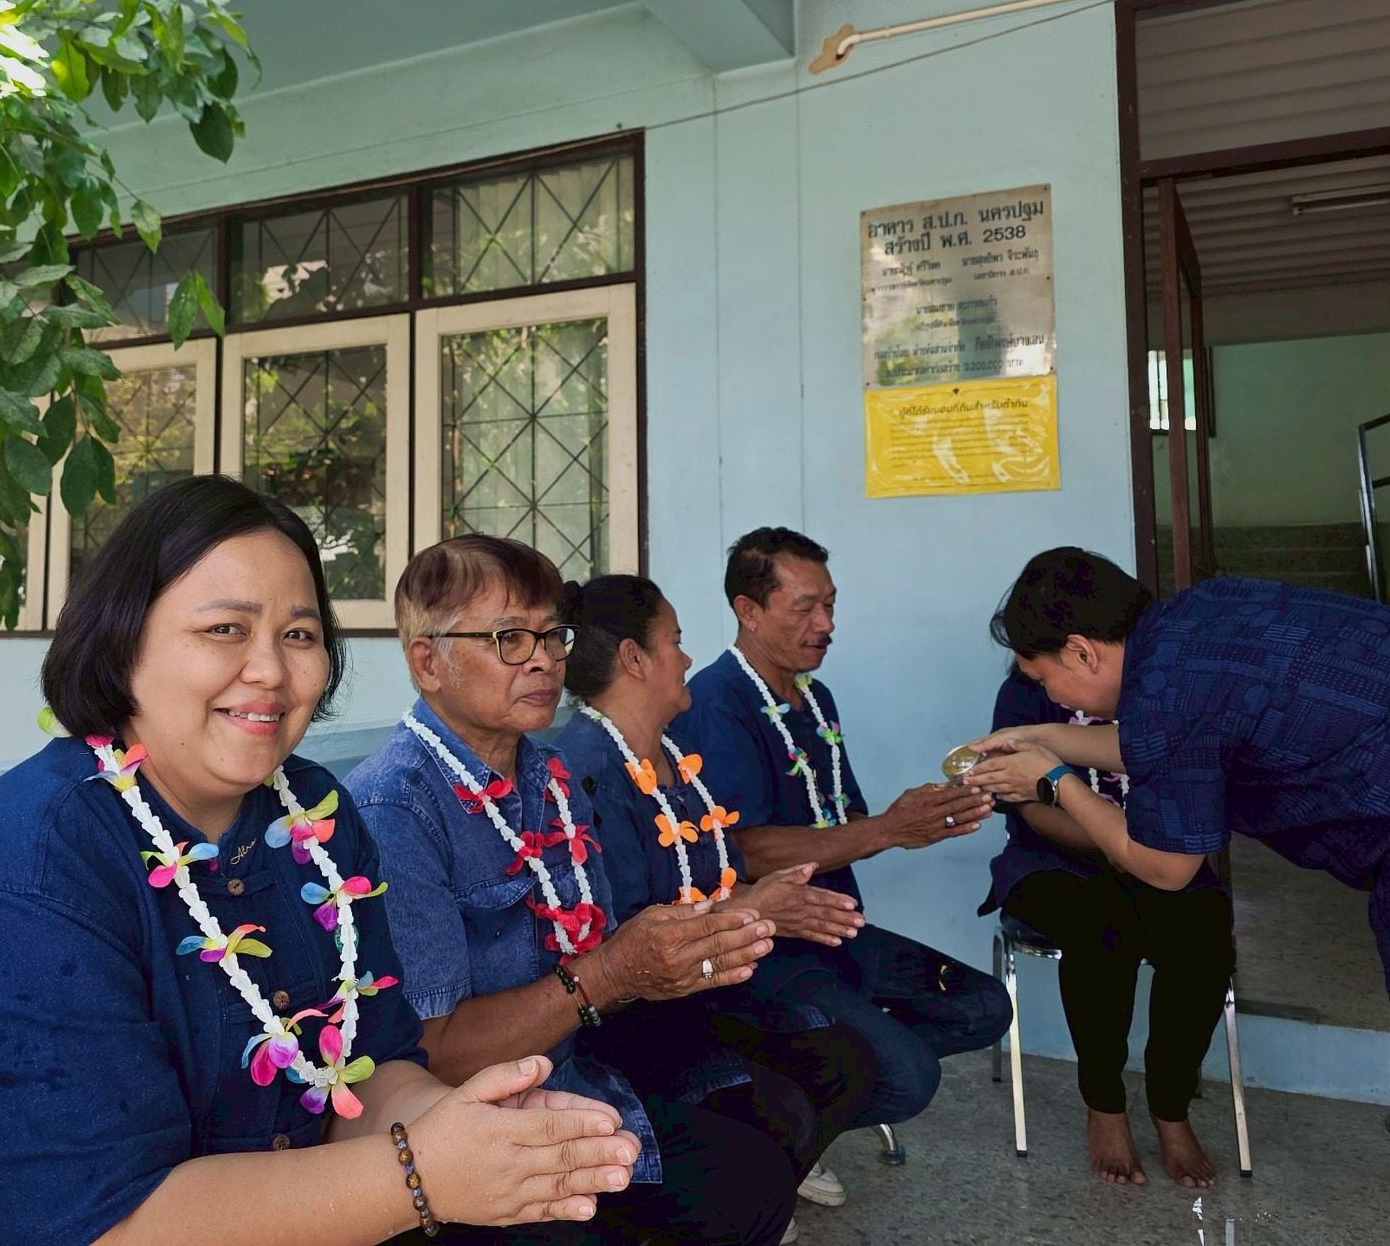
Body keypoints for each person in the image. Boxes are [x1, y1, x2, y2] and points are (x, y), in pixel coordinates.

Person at [0, 477, 639, 1246]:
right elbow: (108, 1228)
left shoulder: (315, 814)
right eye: (225, 629)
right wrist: (421, 1175)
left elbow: (370, 1072)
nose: (270, 670)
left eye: (299, 634)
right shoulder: (22, 887)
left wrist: (462, 1128)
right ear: (122, 645)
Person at [967, 547, 1390, 1246]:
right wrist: (1037, 738)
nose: (1052, 696)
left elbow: (1166, 866)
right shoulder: (1197, 623)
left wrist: (1052, 780)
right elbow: (1164, 739)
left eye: (1044, 679)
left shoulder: (1169, 687)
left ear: (1082, 651)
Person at [348, 535, 805, 1246]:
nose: (543, 660)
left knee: (768, 1145)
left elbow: (600, 945)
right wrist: (611, 973)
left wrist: (686, 950)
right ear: (427, 662)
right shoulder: (395, 808)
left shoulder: (549, 772)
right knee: (743, 1177)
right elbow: (425, 1053)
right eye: (508, 638)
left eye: (551, 635)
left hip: (583, 1062)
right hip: (476, 1130)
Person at [674, 526, 1013, 1160]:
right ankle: (784, 1136)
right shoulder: (717, 702)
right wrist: (887, 829)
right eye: (806, 607)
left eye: (830, 604)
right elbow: (745, 851)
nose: (826, 624)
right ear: (749, 610)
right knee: (909, 1077)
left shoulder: (814, 696)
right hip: (769, 946)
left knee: (982, 1007)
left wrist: (916, 818)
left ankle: (807, 1106)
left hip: (838, 928)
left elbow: (844, 817)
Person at [558, 572, 886, 1224]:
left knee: (849, 1064)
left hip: (712, 987)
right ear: (634, 659)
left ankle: (763, 1199)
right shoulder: (585, 770)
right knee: (785, 1112)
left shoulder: (670, 752)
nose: (686, 659)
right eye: (675, 641)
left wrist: (768, 901)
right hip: (636, 1024)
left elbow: (721, 871)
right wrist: (753, 908)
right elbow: (621, 941)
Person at [982, 664, 1234, 1188]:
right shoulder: (1028, 691)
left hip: (1161, 857)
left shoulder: (1161, 687)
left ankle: (1170, 1107)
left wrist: (1145, 853)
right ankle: (1105, 1104)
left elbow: (1197, 794)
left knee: (1203, 929)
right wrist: (1117, 845)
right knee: (1103, 925)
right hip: (1053, 861)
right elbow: (1029, 807)